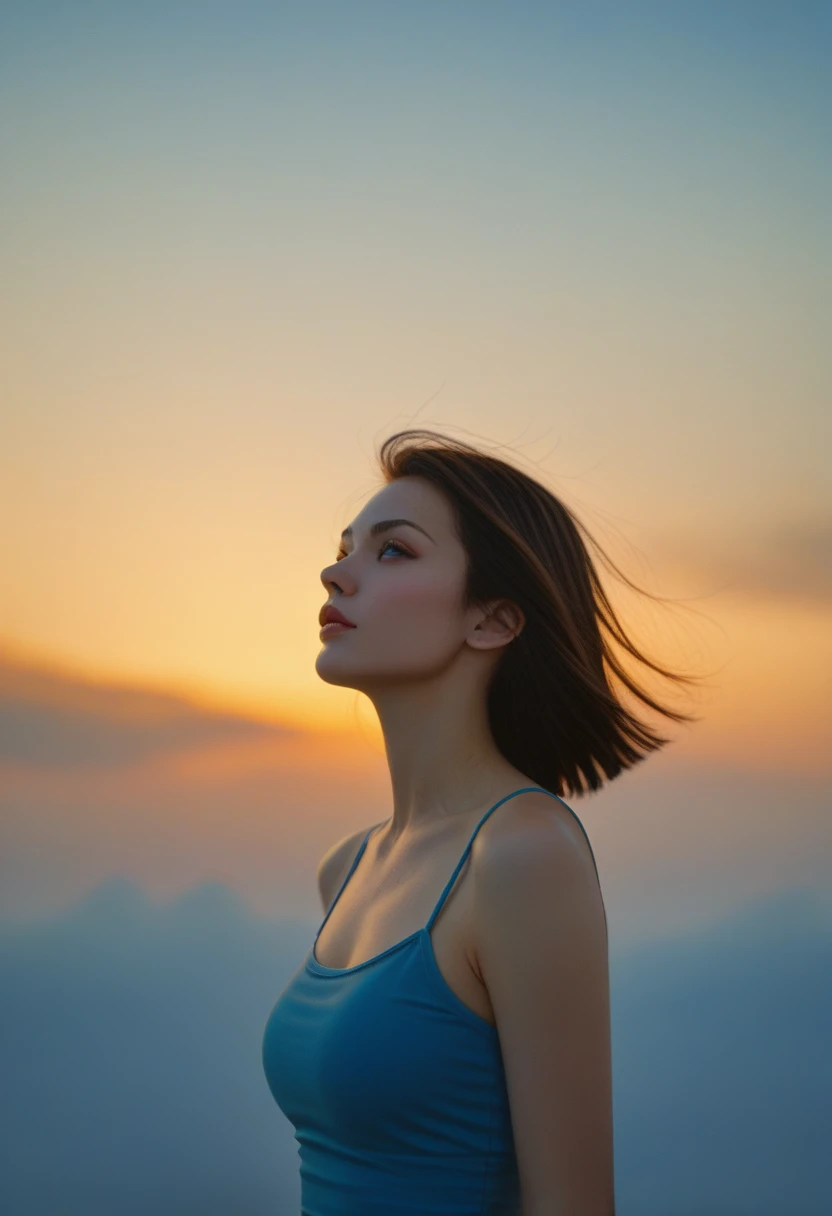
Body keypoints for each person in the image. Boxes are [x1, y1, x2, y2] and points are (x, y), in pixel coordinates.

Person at [263, 428, 703, 1214]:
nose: (335, 573)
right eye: (344, 549)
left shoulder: (524, 856)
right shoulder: (349, 866)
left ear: (493, 621)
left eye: (392, 551)